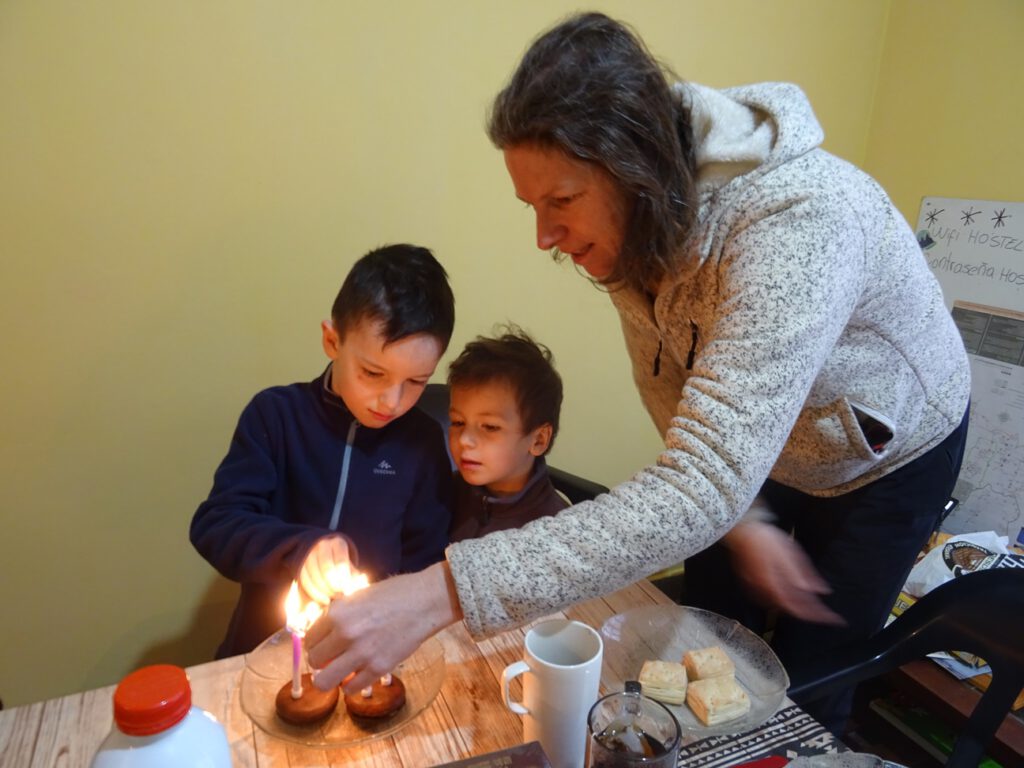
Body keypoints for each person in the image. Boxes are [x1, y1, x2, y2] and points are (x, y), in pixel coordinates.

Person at [305, 12, 970, 733]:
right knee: (704, 634)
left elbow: (702, 479)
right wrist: (744, 518)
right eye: (534, 206)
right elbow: (669, 387)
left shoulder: (800, 223)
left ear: (635, 165)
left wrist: (440, 592)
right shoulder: (644, 221)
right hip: (759, 442)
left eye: (561, 201)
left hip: (887, 452)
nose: (544, 237)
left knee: (808, 684)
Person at [190, 243, 456, 658]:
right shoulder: (276, 416)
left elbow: (426, 562)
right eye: (372, 373)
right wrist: (301, 550)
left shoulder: (420, 442)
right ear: (332, 341)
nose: (391, 401)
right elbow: (215, 525)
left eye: (417, 382)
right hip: (264, 650)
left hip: (373, 654)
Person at [446, 326, 567, 542]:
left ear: (538, 440)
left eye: (490, 427)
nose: (464, 440)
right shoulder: (442, 493)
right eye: (458, 422)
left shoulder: (556, 530)